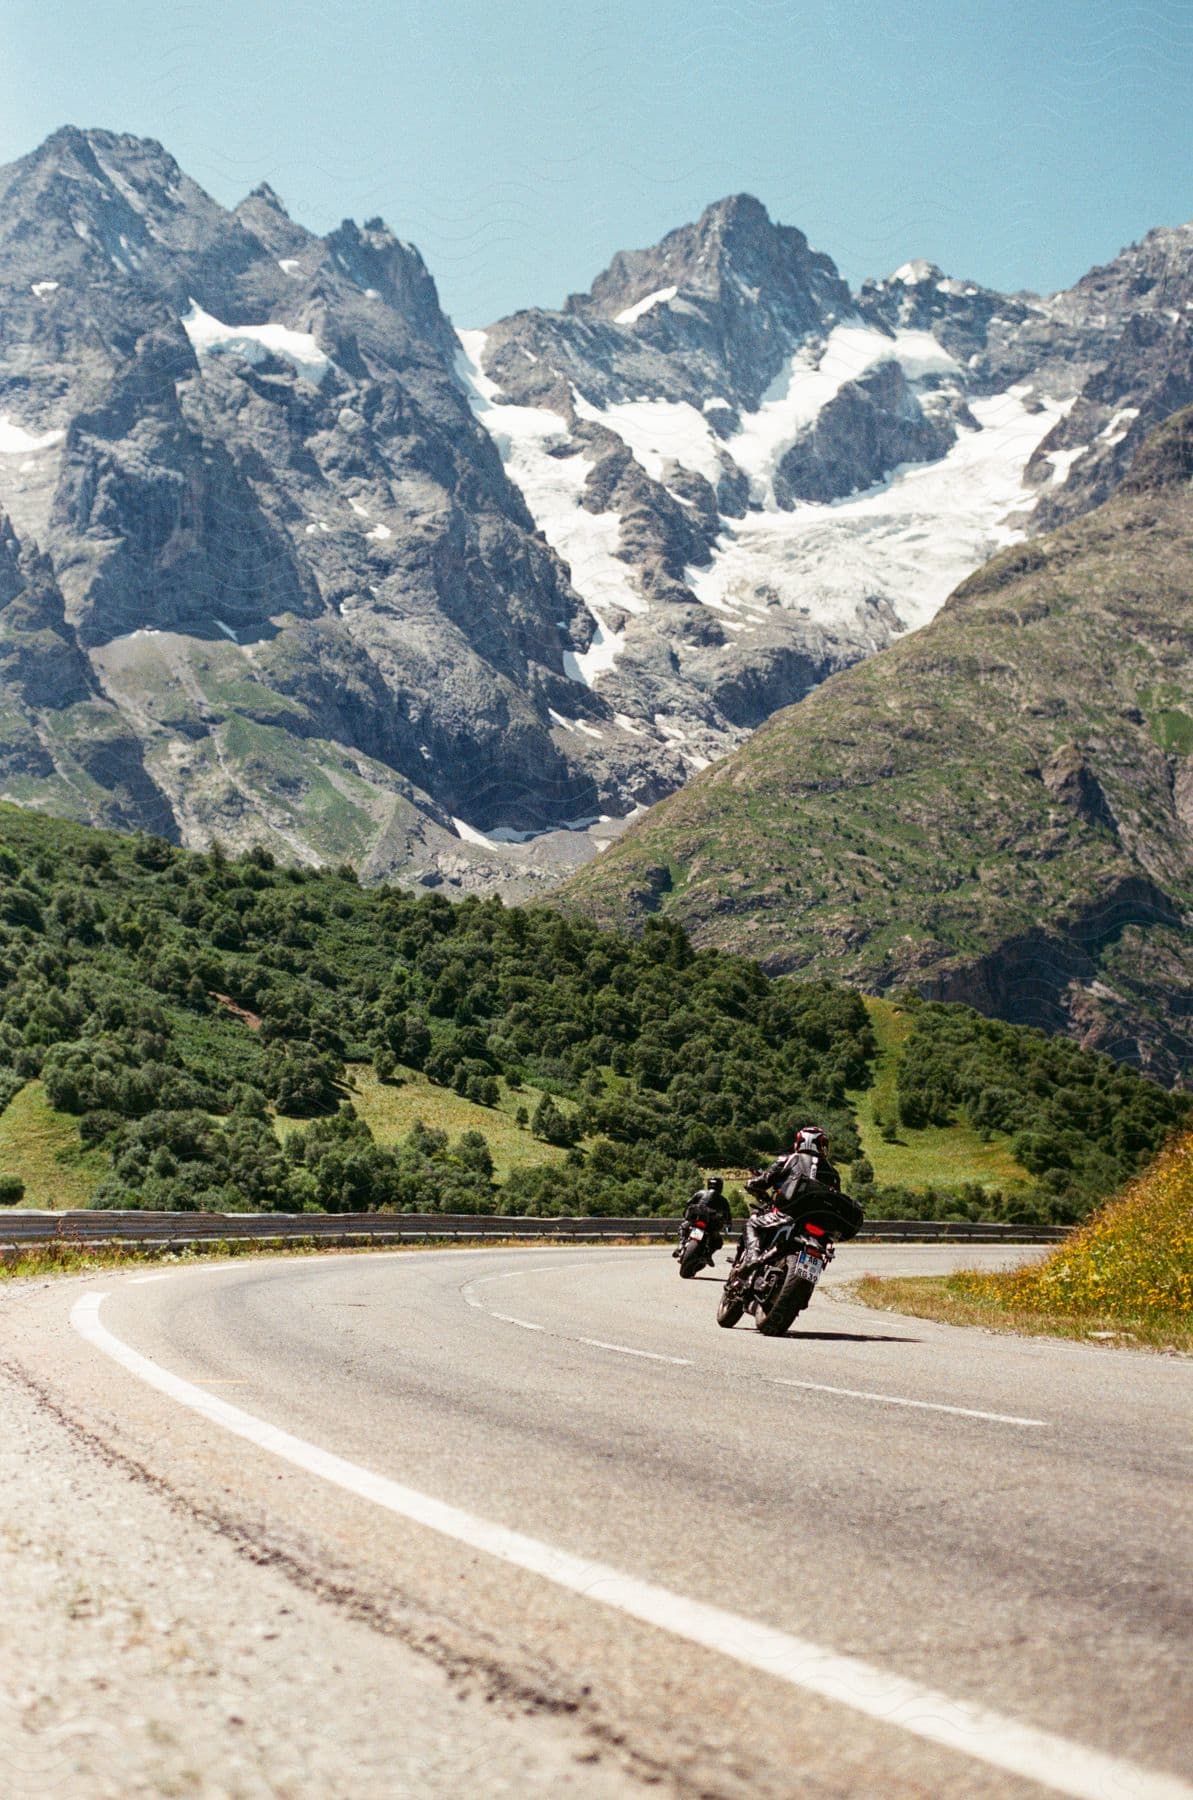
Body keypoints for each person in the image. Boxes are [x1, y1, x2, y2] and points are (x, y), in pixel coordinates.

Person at [729, 1127, 849, 1277]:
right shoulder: (833, 1173)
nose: (824, 1148)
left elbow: (763, 1181)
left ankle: (752, 1258)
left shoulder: (790, 1159)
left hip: (787, 1214)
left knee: (752, 1223)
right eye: (822, 1144)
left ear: (801, 1142)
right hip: (817, 1224)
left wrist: (752, 1184)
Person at [674, 1174, 732, 1261]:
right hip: (710, 1226)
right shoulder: (723, 1200)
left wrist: (686, 1214)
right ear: (720, 1186)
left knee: (683, 1227)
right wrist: (728, 1224)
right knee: (718, 1242)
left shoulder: (700, 1193)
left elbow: (688, 1203)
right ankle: (708, 1255)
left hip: (695, 1220)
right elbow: (728, 1216)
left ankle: (680, 1245)